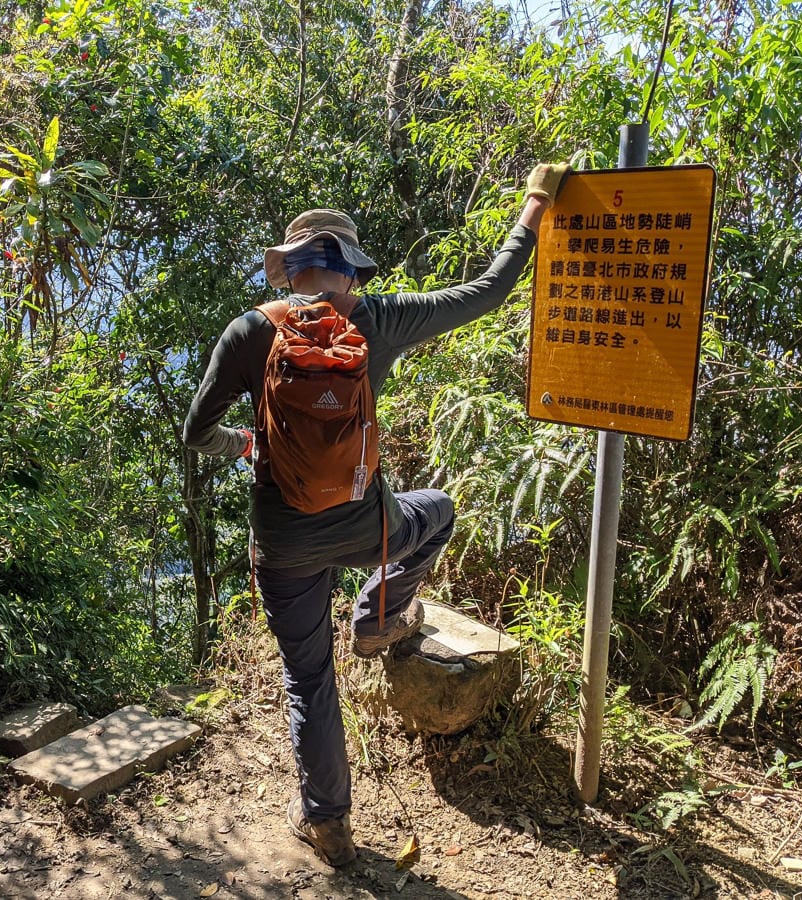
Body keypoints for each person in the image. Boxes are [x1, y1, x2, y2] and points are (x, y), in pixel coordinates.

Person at [182, 164, 570, 866]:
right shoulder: (379, 318)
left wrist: (248, 444)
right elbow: (490, 290)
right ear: (349, 269)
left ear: (292, 268)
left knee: (308, 679)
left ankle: (328, 826)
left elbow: (195, 431)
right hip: (368, 527)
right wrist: (535, 203)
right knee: (438, 510)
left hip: (283, 542)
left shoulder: (248, 332)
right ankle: (376, 617)